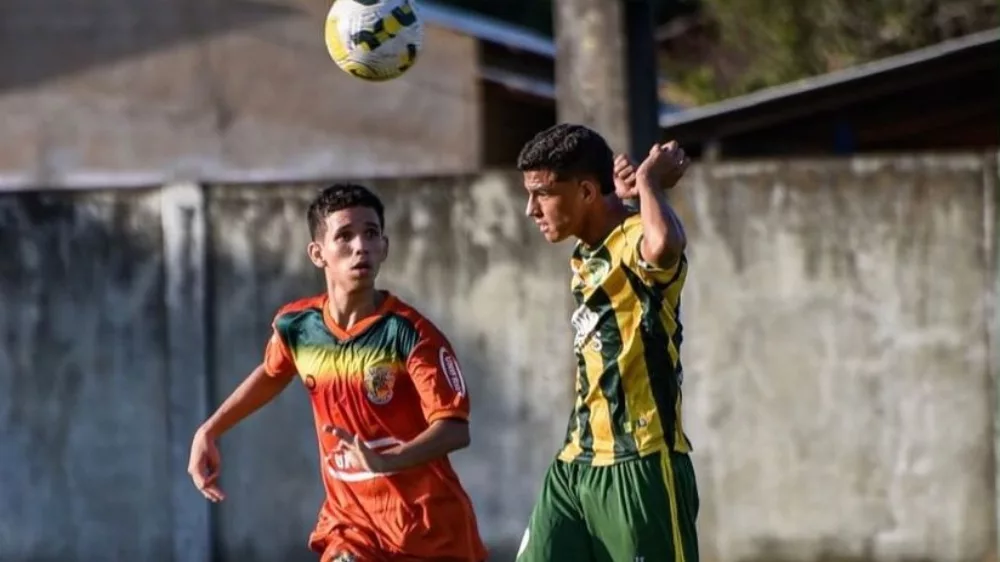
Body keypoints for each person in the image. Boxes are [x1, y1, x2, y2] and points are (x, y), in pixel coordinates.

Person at [187, 183, 487, 562]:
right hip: (352, 529)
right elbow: (272, 372)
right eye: (344, 236)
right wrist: (209, 430)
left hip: (429, 534)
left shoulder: (411, 333)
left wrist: (389, 459)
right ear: (318, 253)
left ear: (384, 248)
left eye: (371, 234)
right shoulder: (298, 327)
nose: (360, 246)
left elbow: (456, 428)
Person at [514, 123, 699, 562]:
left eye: (542, 194)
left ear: (585, 193)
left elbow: (664, 244)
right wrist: (628, 197)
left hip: (640, 464)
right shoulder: (590, 247)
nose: (530, 209)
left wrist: (650, 185)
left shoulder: (638, 239)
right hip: (575, 463)